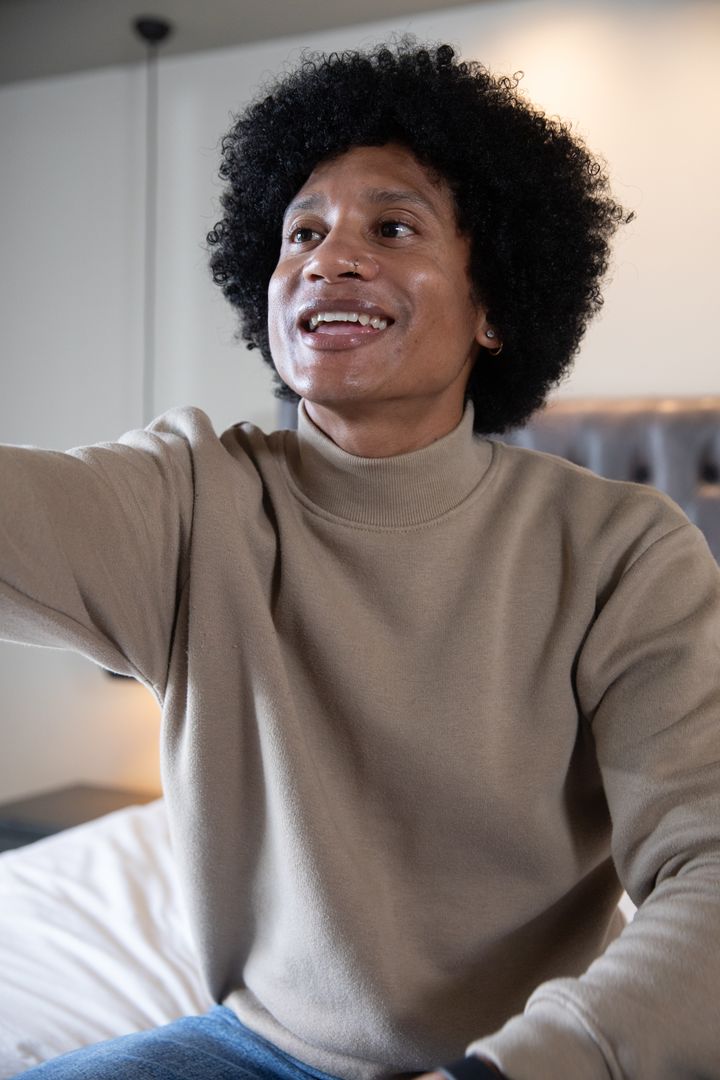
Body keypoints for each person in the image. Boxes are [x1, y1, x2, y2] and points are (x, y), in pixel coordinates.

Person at [1, 38, 719, 1080]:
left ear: (493, 307)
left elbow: (708, 867)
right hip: (256, 1049)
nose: (328, 258)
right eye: (302, 232)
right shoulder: (193, 501)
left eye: (392, 227)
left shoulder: (623, 550)